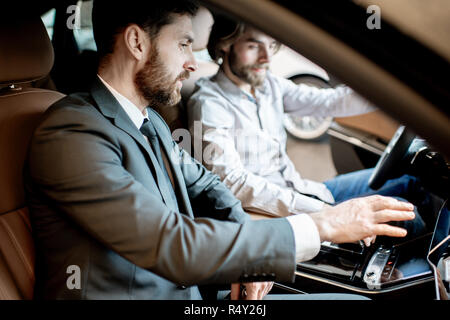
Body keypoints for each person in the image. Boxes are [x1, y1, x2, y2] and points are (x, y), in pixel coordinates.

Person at [25, 0, 415, 300]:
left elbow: (209, 185)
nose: (193, 64)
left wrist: (252, 259)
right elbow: (170, 243)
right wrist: (321, 224)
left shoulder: (150, 121)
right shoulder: (71, 131)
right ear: (137, 42)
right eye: (183, 45)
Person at [187, 16, 428, 242]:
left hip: (308, 190)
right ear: (225, 45)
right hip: (283, 211)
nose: (266, 58)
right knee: (407, 215)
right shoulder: (209, 104)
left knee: (417, 177)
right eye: (253, 47)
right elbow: (232, 182)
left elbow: (330, 102)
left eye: (271, 46)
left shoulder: (268, 85)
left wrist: (392, 85)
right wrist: (322, 210)